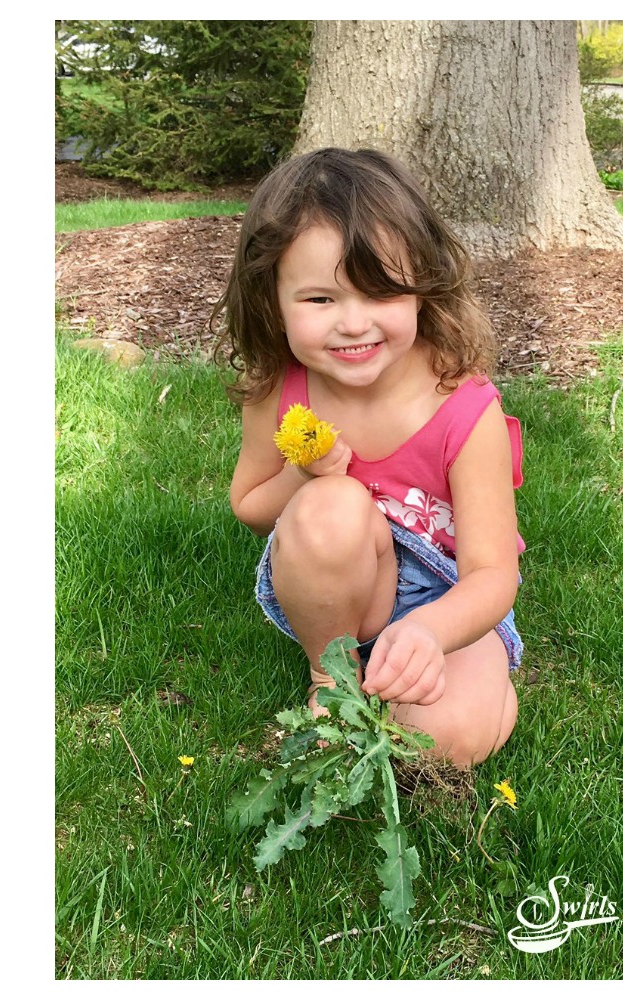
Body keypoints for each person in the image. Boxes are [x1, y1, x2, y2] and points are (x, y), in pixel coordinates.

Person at [222, 147, 522, 767]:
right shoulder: (281, 389)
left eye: (380, 292)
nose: (353, 323)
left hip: (448, 598)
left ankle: (464, 684)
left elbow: (493, 574)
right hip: (345, 584)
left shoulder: (462, 408)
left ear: (422, 289)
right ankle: (332, 672)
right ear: (272, 300)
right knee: (330, 505)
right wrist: (305, 474)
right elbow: (251, 507)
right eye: (320, 300)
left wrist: (431, 633)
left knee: (444, 741)